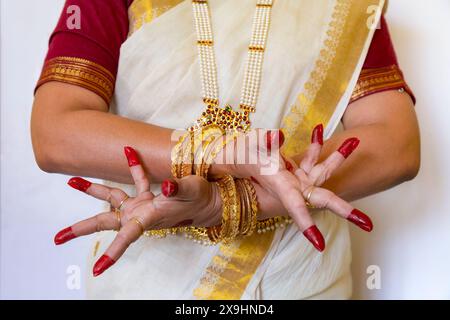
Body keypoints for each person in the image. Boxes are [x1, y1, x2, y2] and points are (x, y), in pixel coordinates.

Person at [31, 0, 420, 299]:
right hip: (151, 275)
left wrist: (231, 202)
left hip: (299, 277)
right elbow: (56, 129)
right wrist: (216, 155)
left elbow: (395, 141)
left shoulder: (342, 7)